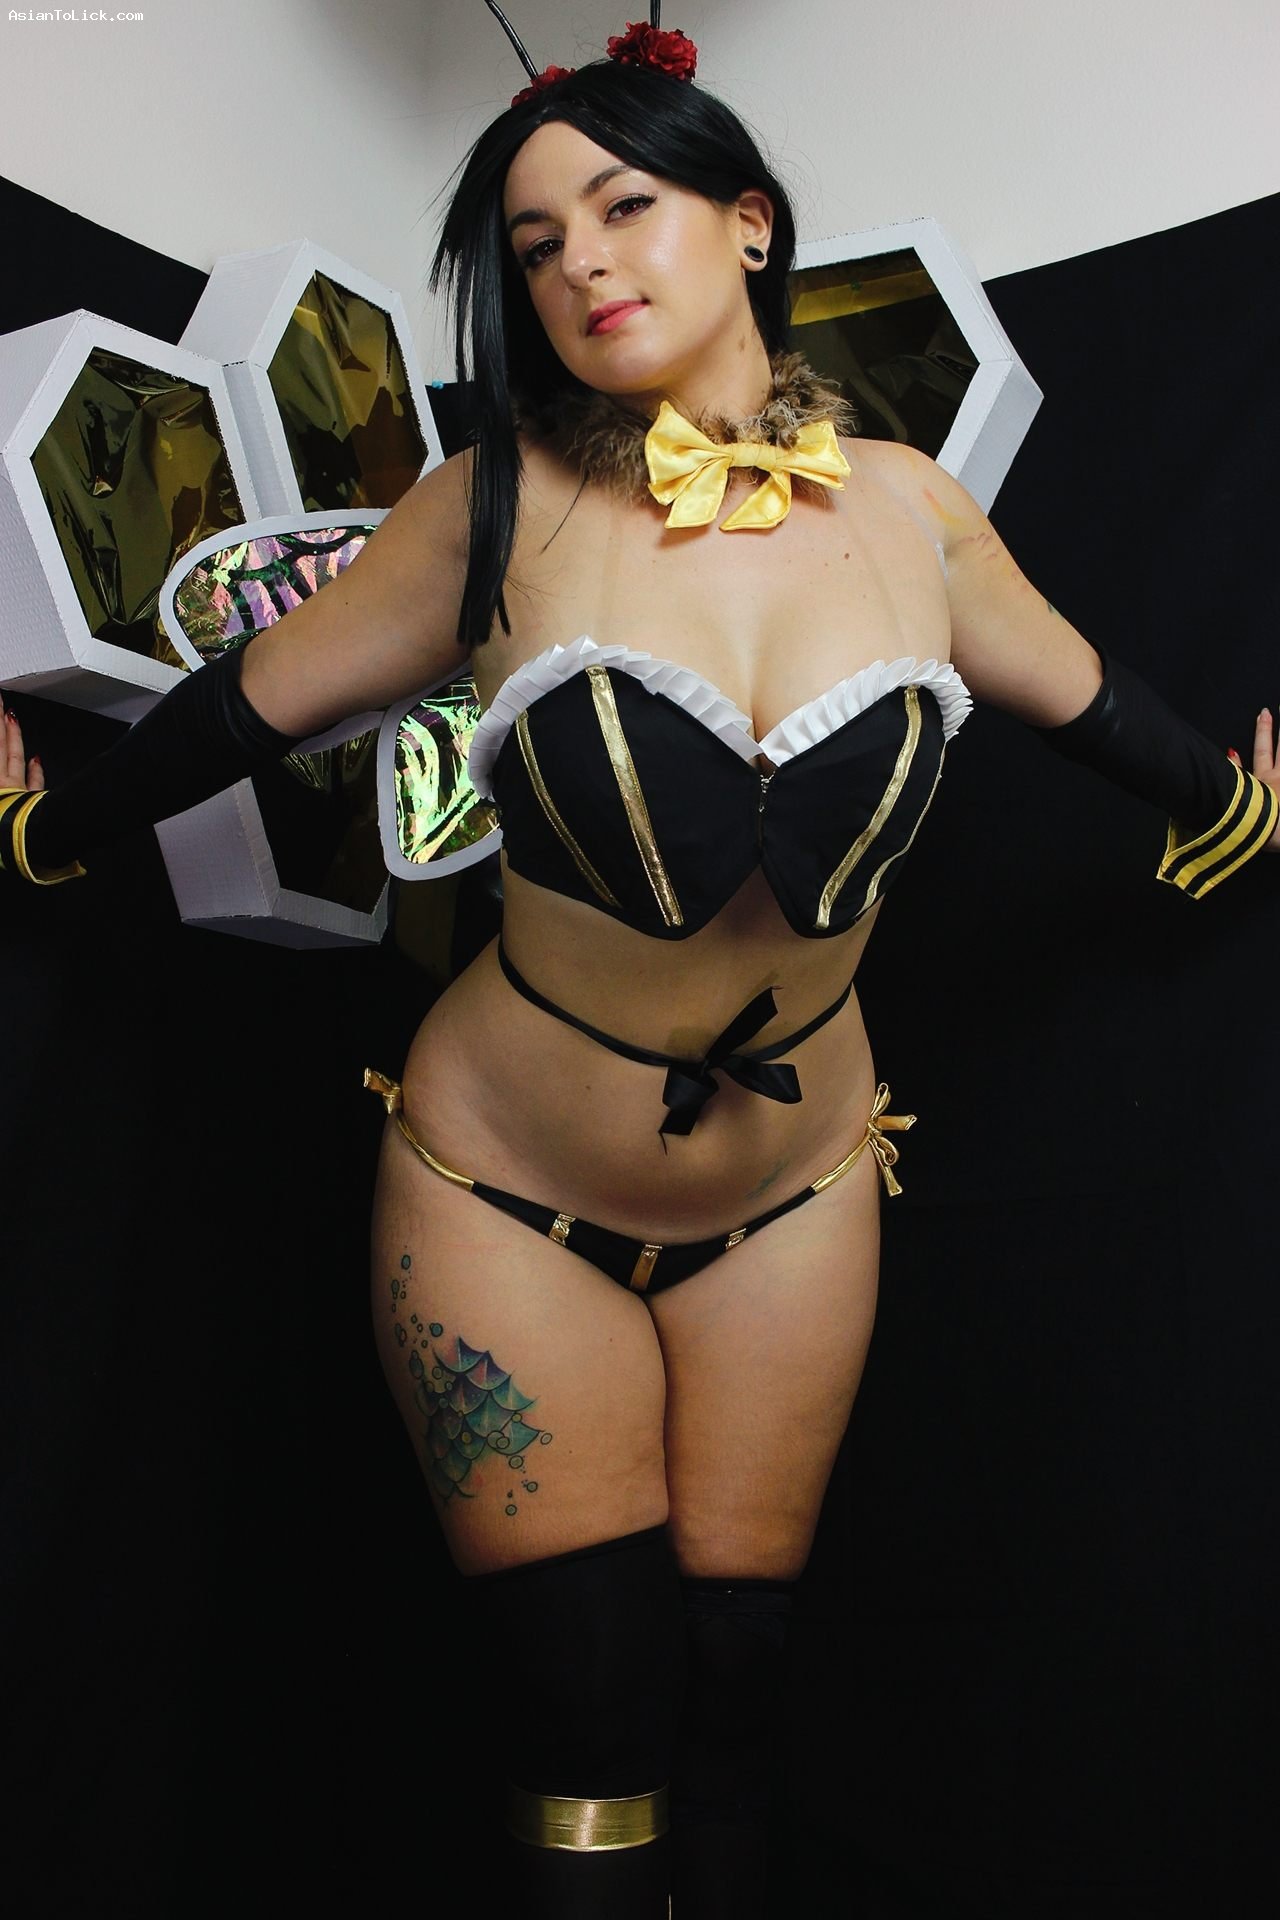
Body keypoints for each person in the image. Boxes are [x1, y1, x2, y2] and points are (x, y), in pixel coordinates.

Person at [3, 17, 1278, 1918]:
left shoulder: (914, 511)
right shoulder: (492, 508)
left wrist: (1243, 809)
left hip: (799, 1197)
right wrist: (41, 831)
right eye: (536, 245)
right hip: (505, 1191)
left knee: (743, 1697)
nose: (581, 264)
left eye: (623, 207)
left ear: (748, 222)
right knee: (587, 1709)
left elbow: (1112, 720)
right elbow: (243, 711)